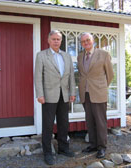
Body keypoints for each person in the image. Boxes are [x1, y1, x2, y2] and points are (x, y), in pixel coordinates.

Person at [35, 30, 76, 165]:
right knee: (47, 125)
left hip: (64, 95)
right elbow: (38, 77)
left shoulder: (67, 56)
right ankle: (47, 153)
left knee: (63, 123)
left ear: (61, 41)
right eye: (54, 39)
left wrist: (72, 92)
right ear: (48, 40)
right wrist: (40, 94)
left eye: (58, 39)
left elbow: (71, 75)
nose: (56, 41)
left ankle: (63, 148)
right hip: (48, 96)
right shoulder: (41, 55)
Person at [77, 32, 114, 158]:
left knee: (100, 121)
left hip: (98, 93)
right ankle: (93, 145)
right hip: (85, 93)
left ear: (93, 41)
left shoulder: (103, 54)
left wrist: (101, 87)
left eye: (88, 40)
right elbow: (82, 75)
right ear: (81, 44)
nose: (86, 43)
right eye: (83, 41)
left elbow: (110, 75)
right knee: (90, 120)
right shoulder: (80, 55)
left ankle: (102, 147)